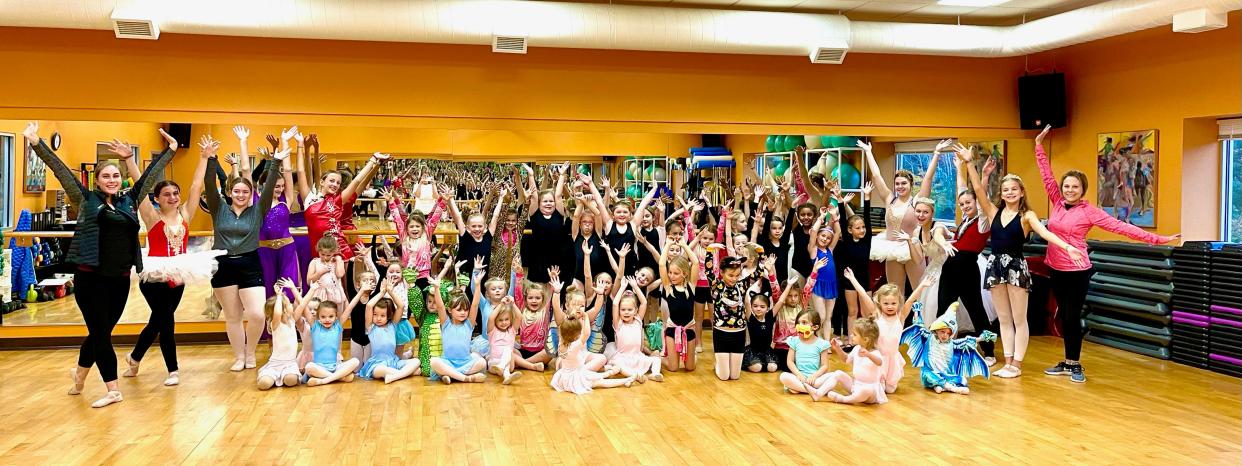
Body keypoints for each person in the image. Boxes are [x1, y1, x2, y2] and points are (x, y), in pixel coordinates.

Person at [25, 122, 176, 408]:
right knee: (100, 332)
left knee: (102, 332)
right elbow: (59, 169)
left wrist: (170, 150)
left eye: (116, 175)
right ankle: (113, 389)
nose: (112, 179)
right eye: (106, 176)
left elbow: (150, 175)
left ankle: (79, 375)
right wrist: (36, 143)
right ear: (97, 180)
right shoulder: (86, 199)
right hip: (90, 278)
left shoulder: (129, 201)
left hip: (119, 279)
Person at [1032, 126, 1180, 383]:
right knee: (1062, 316)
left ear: (1082, 189)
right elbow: (1046, 176)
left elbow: (1123, 227)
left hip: (1077, 270)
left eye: (1074, 186)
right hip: (1054, 267)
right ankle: (1067, 362)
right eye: (1066, 186)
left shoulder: (1090, 212)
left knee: (1071, 315)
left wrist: (1158, 239)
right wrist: (1038, 146)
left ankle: (1074, 364)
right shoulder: (1056, 202)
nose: (1069, 190)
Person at [956, 143, 1087, 379]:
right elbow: (977, 188)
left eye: (1014, 189)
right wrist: (969, 163)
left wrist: (1068, 247)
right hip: (995, 267)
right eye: (1006, 189)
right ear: (1002, 193)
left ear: (1021, 192)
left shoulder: (1027, 216)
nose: (1009, 193)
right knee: (1003, 319)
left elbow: (1046, 234)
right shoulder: (993, 212)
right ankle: (1007, 362)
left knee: (1019, 319)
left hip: (1016, 268)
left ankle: (1017, 364)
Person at [123, 135, 220, 387]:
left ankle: (134, 359)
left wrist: (204, 157)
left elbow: (196, 187)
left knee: (158, 320)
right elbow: (140, 186)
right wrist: (128, 160)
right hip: (154, 274)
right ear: (157, 198)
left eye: (176, 193)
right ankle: (173, 370)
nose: (174, 197)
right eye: (167, 194)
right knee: (165, 320)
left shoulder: (186, 214)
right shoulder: (152, 216)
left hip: (178, 273)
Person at [205, 143, 285, 372]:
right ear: (230, 192)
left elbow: (269, 187)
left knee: (258, 314)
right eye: (237, 191)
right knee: (233, 316)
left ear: (251, 195)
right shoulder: (218, 208)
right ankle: (239, 357)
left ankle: (250, 353)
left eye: (245, 192)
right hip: (224, 265)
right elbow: (209, 185)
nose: (241, 195)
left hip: (250, 263)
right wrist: (211, 160)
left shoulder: (258, 211)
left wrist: (275, 161)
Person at [860, 139, 950, 292]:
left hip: (911, 249)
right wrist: (868, 152)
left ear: (911, 185)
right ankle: (897, 316)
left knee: (919, 289)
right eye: (897, 183)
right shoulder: (890, 198)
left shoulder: (917, 201)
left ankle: (920, 316)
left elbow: (927, 178)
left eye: (904, 183)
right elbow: (876, 176)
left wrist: (936, 153)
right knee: (894, 291)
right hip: (890, 248)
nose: (900, 186)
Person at [901, 303, 996, 394]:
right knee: (931, 377)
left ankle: (939, 386)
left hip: (945, 374)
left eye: (948, 333)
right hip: (929, 372)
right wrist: (916, 311)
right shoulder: (928, 337)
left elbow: (967, 341)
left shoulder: (952, 343)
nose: (945, 335)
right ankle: (952, 388)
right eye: (942, 331)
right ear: (936, 329)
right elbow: (918, 326)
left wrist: (983, 337)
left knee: (962, 379)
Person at [778, 309, 833, 399]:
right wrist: (798, 374)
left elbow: (825, 366)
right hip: (799, 378)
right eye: (798, 323)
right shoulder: (794, 341)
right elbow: (790, 361)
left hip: (816, 379)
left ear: (814, 327)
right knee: (783, 376)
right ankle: (817, 391)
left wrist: (814, 376)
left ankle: (801, 388)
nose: (800, 325)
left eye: (804, 322)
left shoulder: (822, 344)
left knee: (834, 375)